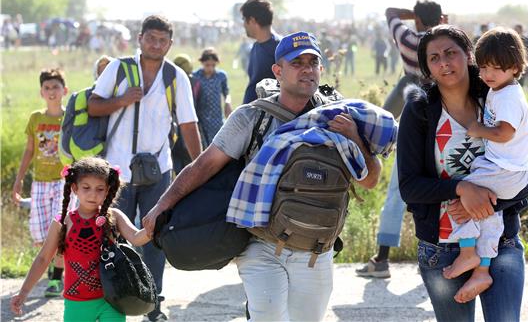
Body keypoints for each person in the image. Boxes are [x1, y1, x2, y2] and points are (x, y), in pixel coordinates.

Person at [142, 31, 383, 321]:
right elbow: (202, 167)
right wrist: (161, 207)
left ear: (321, 69)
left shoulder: (339, 117)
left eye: (312, 62)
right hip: (261, 244)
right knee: (267, 315)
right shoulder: (252, 117)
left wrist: (355, 136)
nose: (307, 69)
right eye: (297, 63)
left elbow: (369, 180)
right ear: (278, 71)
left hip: (316, 250)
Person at [398, 24, 528, 320]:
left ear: (469, 54)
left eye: (451, 53)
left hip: (502, 243)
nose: (444, 62)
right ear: (427, 68)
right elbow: (409, 186)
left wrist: (485, 202)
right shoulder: (420, 110)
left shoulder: (497, 96)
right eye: (434, 58)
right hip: (442, 249)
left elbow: (524, 176)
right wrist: (461, 189)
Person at [88, 15, 202, 321]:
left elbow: (189, 125)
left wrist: (202, 169)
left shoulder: (176, 76)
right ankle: (111, 304)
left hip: (158, 171)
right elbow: (93, 106)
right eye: (150, 38)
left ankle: (153, 306)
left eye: (162, 40)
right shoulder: (118, 68)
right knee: (110, 240)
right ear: (140, 38)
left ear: (170, 43)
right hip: (116, 173)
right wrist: (122, 100)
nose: (155, 44)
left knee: (155, 240)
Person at [440, 27, 528, 302]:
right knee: (488, 214)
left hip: (505, 169)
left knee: (464, 199)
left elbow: (505, 133)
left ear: (516, 68)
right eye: (483, 67)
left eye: (496, 68)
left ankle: (469, 254)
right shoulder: (501, 89)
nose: (487, 74)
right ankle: (483, 270)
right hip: (508, 169)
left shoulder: (507, 97)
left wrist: (478, 129)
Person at [356, 0, 445, 278]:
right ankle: (439, 256)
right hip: (441, 126)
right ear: (440, 19)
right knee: (440, 192)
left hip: (411, 126)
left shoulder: (409, 40)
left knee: (397, 191)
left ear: (417, 18)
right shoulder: (445, 44)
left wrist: (411, 14)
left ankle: (381, 260)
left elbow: (390, 13)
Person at [10, 157, 151, 322]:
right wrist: (24, 292)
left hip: (113, 301)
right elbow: (43, 258)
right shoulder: (62, 222)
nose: (93, 194)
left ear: (108, 190)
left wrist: (154, 226)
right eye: (86, 188)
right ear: (75, 188)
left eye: (100, 189)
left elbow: (136, 238)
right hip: (77, 304)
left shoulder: (114, 217)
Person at [12, 68, 71, 297]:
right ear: (41, 93)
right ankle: (51, 268)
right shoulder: (36, 118)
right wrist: (19, 180)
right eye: (47, 88)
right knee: (40, 234)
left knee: (59, 231)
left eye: (55, 87)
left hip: (63, 182)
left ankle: (56, 280)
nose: (51, 91)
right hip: (39, 182)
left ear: (64, 90)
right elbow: (29, 150)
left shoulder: (69, 117)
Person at [240, 0, 281, 104]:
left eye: (244, 19)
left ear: (252, 20)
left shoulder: (280, 48)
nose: (243, 24)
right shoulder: (255, 47)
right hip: (252, 115)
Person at [191, 47, 232, 148]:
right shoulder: (195, 77)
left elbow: (226, 92)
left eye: (213, 65)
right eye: (207, 65)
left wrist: (227, 102)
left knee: (217, 146)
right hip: (201, 119)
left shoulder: (221, 76)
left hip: (216, 119)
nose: (210, 68)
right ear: (202, 63)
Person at [514, 25, 528, 89]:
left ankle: (525, 87)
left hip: (524, 61)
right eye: (515, 29)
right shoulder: (512, 39)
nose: (516, 31)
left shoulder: (526, 40)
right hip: (514, 61)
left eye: (517, 29)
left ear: (521, 30)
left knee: (525, 75)